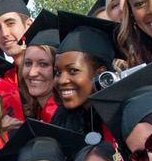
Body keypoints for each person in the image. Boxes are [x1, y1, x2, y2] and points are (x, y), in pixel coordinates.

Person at [51, 11, 120, 141]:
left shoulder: (121, 116)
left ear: (101, 73)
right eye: (58, 72)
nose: (62, 80)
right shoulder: (62, 119)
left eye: (73, 70)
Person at [19, 9, 60, 122]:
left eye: (43, 64)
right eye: (28, 63)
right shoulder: (39, 113)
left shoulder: (67, 120)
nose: (32, 72)